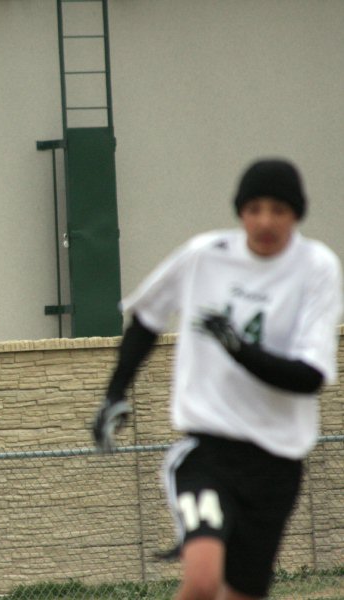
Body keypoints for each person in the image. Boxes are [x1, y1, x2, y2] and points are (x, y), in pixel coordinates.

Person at [91, 159, 342, 600]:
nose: (265, 220)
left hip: (277, 463)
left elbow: (308, 377)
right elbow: (147, 319)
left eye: (279, 210)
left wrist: (240, 351)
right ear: (240, 211)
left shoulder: (317, 267)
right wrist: (113, 394)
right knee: (203, 580)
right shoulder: (204, 255)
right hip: (209, 454)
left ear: (296, 215)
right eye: (255, 208)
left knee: (239, 594)